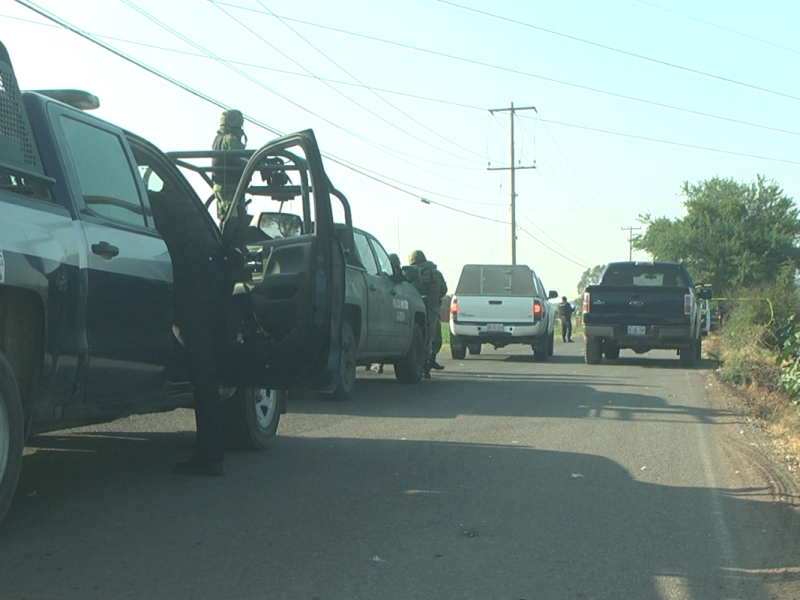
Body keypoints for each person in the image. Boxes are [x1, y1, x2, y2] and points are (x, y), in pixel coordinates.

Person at [147, 177, 229, 476]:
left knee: (202, 374)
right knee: (205, 374)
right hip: (207, 289)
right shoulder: (190, 208)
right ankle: (212, 455)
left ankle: (210, 457)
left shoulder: (159, 204)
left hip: (188, 291)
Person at [408, 250, 444, 378]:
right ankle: (428, 363)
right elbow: (443, 290)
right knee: (433, 338)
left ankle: (422, 364)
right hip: (432, 310)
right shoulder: (435, 273)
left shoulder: (411, 274)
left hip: (416, 310)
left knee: (420, 338)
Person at [212, 109, 247, 222]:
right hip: (231, 188)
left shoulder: (218, 140)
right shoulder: (229, 140)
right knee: (234, 221)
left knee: (226, 218)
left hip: (221, 187)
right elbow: (245, 158)